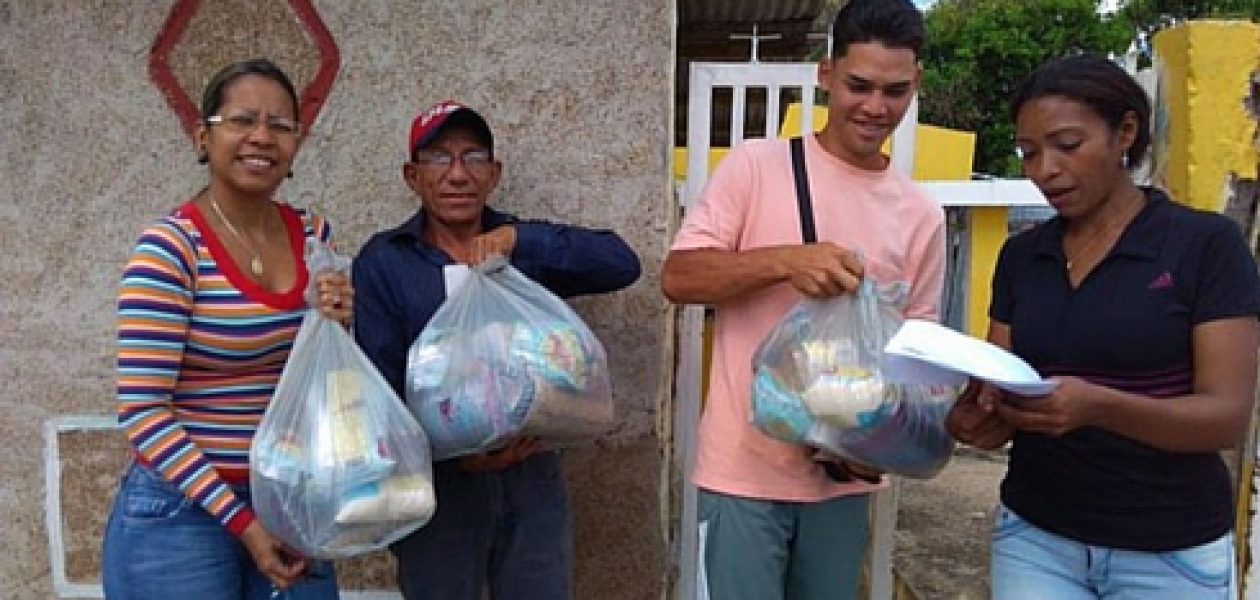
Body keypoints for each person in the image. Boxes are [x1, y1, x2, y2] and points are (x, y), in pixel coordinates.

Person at [947, 54, 1260, 599]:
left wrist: (1100, 407)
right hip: (1036, 538)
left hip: (1169, 552)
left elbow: (1225, 418)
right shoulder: (1023, 256)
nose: (1045, 169)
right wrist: (976, 418)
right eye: (1028, 153)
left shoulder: (1204, 246)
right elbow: (1001, 390)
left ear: (1126, 133)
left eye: (1067, 145)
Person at [660, 1, 946, 597]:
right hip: (743, 473)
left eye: (894, 91)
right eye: (858, 85)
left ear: (916, 83)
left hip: (845, 485)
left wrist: (883, 451)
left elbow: (920, 361)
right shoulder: (756, 167)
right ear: (825, 75)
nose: (874, 107)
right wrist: (784, 261)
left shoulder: (920, 214)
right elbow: (680, 279)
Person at [353, 100, 641, 600]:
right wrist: (454, 459)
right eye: (440, 158)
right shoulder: (385, 262)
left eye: (474, 157)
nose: (458, 174)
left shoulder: (519, 248)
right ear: (413, 176)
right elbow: (378, 385)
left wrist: (522, 239)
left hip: (532, 476)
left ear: (494, 173)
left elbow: (621, 264)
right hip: (439, 489)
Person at [100, 58, 353, 599]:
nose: (261, 137)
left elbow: (326, 378)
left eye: (281, 125)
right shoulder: (170, 249)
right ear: (203, 136)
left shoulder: (314, 234)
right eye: (242, 121)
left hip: (289, 502)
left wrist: (340, 325)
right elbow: (143, 411)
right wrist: (243, 523)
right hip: (179, 515)